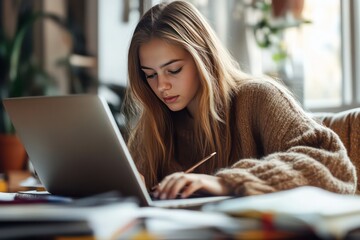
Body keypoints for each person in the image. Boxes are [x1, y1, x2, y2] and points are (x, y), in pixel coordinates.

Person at [124, 0, 357, 200]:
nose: (161, 86)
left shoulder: (258, 98)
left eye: (173, 70)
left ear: (204, 58)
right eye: (150, 75)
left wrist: (228, 183)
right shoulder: (153, 124)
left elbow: (332, 164)